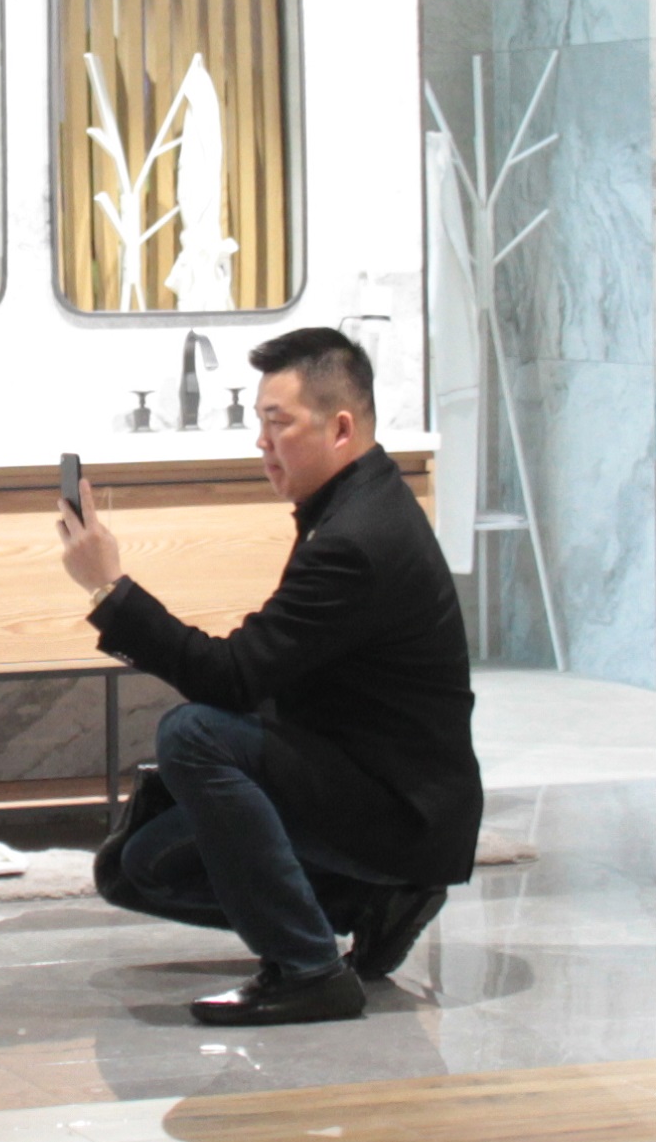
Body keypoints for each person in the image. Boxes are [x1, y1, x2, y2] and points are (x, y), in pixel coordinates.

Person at [54, 323, 479, 1027]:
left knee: (193, 734)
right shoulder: (354, 505)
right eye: (260, 422)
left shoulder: (357, 539)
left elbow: (232, 678)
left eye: (279, 424)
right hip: (369, 782)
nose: (262, 442)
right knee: (137, 869)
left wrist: (111, 590)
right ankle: (370, 901)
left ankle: (308, 968)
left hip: (404, 813)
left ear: (340, 428)